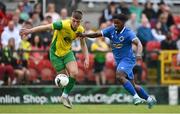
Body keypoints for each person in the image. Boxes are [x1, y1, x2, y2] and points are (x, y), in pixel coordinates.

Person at [78, 14, 156, 109]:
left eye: (117, 22)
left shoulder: (128, 33)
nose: (115, 24)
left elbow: (139, 43)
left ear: (123, 23)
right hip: (120, 61)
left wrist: (139, 54)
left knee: (119, 76)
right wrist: (84, 35)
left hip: (128, 59)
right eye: (114, 22)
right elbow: (97, 34)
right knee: (133, 85)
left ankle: (136, 97)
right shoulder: (111, 30)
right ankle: (149, 99)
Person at [20, 10, 89, 109]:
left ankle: (64, 96)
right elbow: (45, 27)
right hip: (55, 54)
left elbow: (83, 44)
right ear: (71, 19)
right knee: (63, 79)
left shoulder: (80, 30)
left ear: (80, 22)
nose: (75, 23)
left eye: (78, 22)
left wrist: (86, 58)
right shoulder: (62, 24)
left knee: (74, 72)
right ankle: (65, 95)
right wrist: (29, 31)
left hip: (67, 53)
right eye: (73, 20)